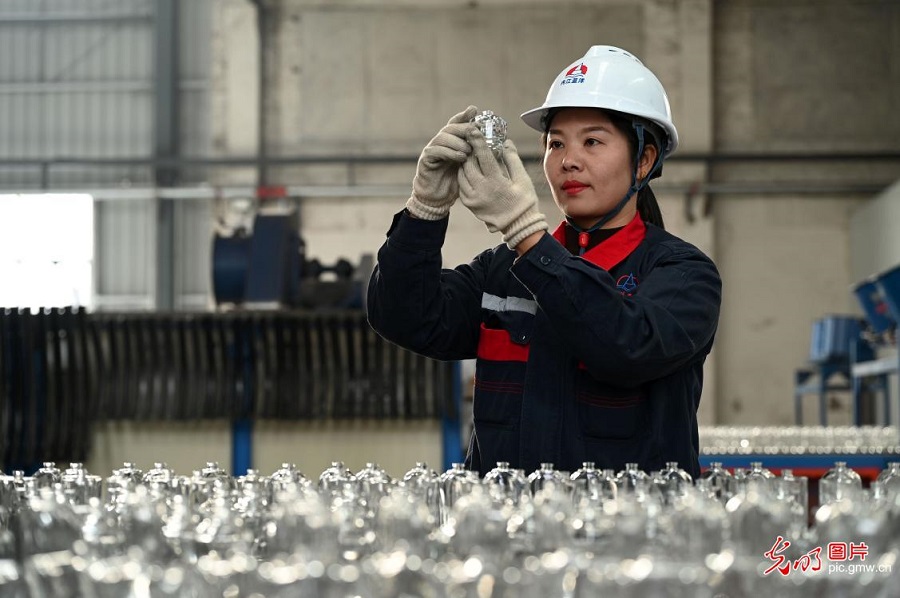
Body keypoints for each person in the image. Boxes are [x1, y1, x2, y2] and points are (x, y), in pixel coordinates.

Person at [366, 45, 721, 479]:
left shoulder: (683, 275)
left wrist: (526, 234)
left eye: (592, 141)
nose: (569, 160)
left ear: (644, 160)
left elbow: (625, 348)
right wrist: (425, 210)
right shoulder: (503, 272)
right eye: (556, 143)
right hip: (511, 533)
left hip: (628, 537)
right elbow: (405, 317)